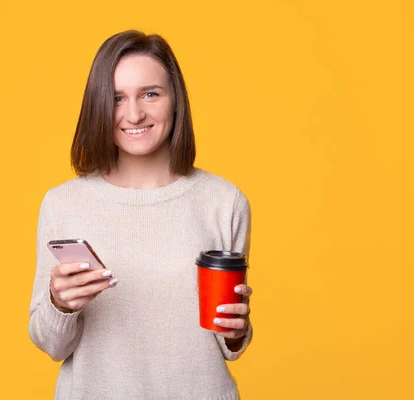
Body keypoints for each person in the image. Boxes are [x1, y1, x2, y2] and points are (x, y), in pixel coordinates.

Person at [28, 30, 254, 400]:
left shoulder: (223, 201)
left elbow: (230, 342)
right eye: (117, 98)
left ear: (175, 100)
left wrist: (236, 329)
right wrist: (59, 304)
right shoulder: (63, 204)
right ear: (98, 106)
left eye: (150, 93)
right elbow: (52, 344)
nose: (134, 114)